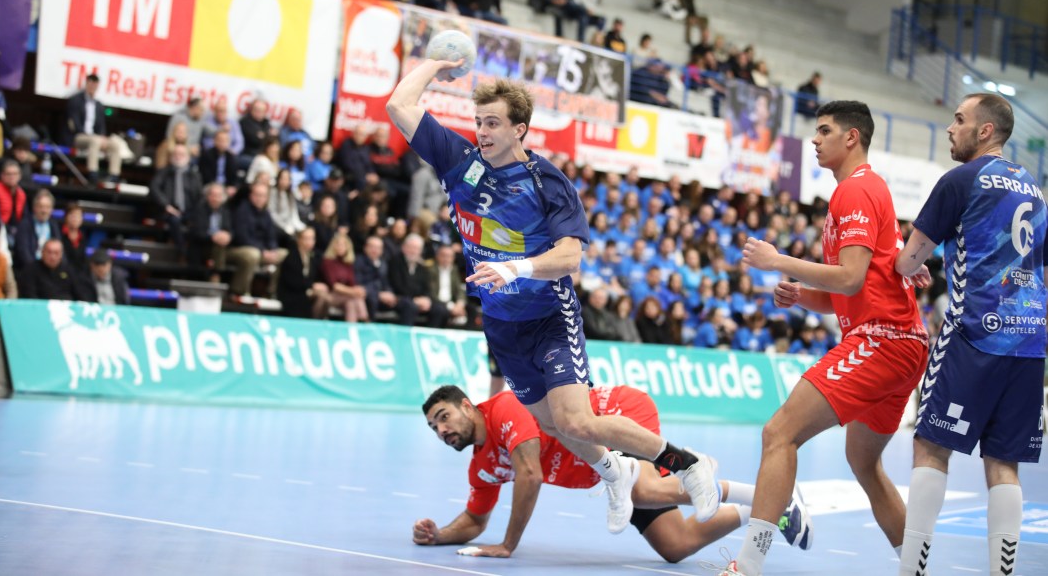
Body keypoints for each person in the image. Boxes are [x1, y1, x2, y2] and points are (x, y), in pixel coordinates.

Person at [386, 57, 722, 534]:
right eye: (479, 121)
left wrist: (514, 267)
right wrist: (436, 66)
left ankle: (687, 463)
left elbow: (570, 257)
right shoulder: (460, 162)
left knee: (577, 421)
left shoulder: (547, 183)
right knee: (551, 425)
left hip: (549, 316)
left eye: (493, 123)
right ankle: (615, 471)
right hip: (501, 325)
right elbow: (399, 105)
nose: (482, 131)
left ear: (519, 129)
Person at [729, 100, 932, 576]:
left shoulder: (855, 191)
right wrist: (802, 295)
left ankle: (748, 566)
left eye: (824, 131)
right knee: (863, 460)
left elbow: (850, 278)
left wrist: (777, 261)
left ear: (851, 137)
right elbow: (849, 289)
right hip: (905, 343)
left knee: (779, 433)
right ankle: (917, 570)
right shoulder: (866, 190)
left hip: (882, 340)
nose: (815, 140)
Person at [893, 94, 1046, 576]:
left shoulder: (961, 180)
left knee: (930, 447)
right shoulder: (1035, 190)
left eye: (959, 120)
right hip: (1029, 341)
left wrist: (909, 260)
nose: (950, 128)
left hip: (974, 334)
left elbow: (907, 263)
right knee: (1003, 463)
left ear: (985, 131)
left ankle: (911, 570)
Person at [415, 385, 812, 560]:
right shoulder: (480, 466)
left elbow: (530, 474)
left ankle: (763, 492)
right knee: (676, 545)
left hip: (615, 415)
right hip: (608, 470)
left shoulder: (504, 408)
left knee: (644, 492)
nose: (441, 430)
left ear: (467, 406)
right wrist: (440, 535)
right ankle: (763, 510)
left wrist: (508, 545)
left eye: (443, 417)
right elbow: (474, 520)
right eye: (434, 427)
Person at [227, 181, 288, 297]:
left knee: (286, 255)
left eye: (263, 196)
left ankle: (272, 292)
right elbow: (242, 238)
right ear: (251, 195)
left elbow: (271, 236)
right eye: (257, 195)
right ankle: (239, 292)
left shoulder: (266, 213)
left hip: (263, 251)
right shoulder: (242, 210)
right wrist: (262, 250)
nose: (260, 198)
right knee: (252, 255)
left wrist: (272, 250)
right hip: (240, 249)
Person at [64, 73, 128, 183]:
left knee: (115, 145)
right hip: (79, 136)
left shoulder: (98, 105)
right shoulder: (76, 101)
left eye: (95, 84)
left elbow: (101, 126)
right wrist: (94, 137)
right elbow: (75, 124)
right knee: (95, 141)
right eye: (91, 83)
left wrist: (103, 137)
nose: (92, 87)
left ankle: (114, 175)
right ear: (87, 83)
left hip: (96, 137)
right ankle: (93, 173)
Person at [149, 144, 203, 253]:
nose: (178, 157)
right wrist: (166, 205)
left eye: (181, 154)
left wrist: (196, 211)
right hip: (169, 211)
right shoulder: (163, 172)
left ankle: (196, 254)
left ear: (188, 157)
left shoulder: (194, 175)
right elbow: (154, 188)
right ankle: (183, 251)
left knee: (201, 221)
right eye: (176, 154)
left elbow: (199, 196)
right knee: (175, 220)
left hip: (189, 211)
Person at [389, 233, 449, 328]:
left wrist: (426, 299)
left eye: (417, 249)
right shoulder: (395, 262)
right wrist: (414, 299)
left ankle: (430, 335)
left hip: (417, 300)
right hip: (400, 299)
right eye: (411, 247)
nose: (413, 251)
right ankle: (406, 335)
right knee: (410, 306)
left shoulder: (422, 267)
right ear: (404, 248)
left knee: (440, 309)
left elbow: (427, 287)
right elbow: (397, 286)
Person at [277, 227, 331, 319]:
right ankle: (312, 323)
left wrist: (317, 286)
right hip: (292, 294)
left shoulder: (312, 258)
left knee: (325, 298)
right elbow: (293, 281)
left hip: (304, 292)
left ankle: (317, 322)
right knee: (321, 297)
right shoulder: (292, 257)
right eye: (306, 238)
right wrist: (312, 286)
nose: (309, 242)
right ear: (299, 240)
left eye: (312, 238)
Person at [17, 239, 85, 301]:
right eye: (49, 252)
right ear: (42, 252)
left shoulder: (69, 270)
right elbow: (29, 296)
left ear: (61, 254)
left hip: (66, 307)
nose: (52, 257)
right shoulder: (31, 270)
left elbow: (80, 294)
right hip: (40, 307)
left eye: (56, 253)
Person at [187, 183, 233, 272]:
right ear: (208, 196)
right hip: (202, 247)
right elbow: (197, 233)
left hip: (222, 246)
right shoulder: (199, 209)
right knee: (219, 246)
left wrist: (228, 236)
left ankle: (218, 275)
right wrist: (213, 237)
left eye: (219, 196)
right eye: (213, 195)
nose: (216, 199)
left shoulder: (225, 211)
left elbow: (230, 229)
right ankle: (216, 275)